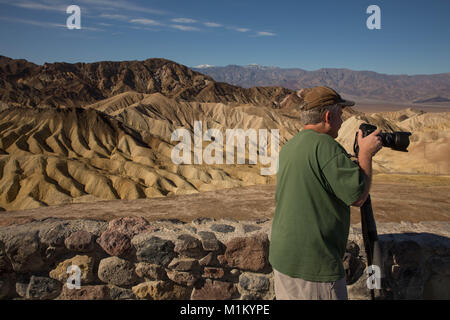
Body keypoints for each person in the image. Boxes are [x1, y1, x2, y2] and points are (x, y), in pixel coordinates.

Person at [268, 86, 382, 300]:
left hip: (283, 258)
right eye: (341, 113)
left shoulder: (290, 146)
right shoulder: (326, 147)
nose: (342, 119)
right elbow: (358, 197)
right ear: (328, 116)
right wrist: (365, 155)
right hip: (313, 265)